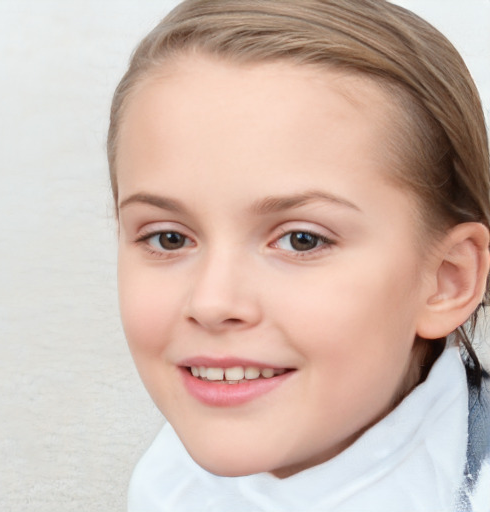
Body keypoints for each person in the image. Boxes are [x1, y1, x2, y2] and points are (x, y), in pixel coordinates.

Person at [107, 0, 490, 510]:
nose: (213, 301)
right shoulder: (166, 482)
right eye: (168, 238)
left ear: (448, 280)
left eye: (301, 240)